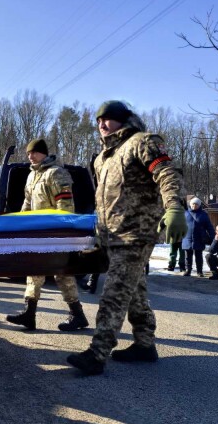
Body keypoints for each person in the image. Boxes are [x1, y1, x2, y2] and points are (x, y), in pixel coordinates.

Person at [67, 100, 186, 375]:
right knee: (134, 293)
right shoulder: (102, 158)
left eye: (108, 119)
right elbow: (104, 201)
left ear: (123, 120)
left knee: (114, 294)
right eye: (98, 120)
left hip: (136, 233)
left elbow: (167, 173)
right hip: (112, 236)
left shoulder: (143, 142)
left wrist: (175, 207)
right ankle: (145, 345)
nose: (101, 124)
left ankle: (97, 354)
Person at [5, 138, 88, 332]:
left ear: (44, 153)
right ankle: (29, 314)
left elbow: (66, 206)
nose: (30, 156)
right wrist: (20, 224)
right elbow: (27, 204)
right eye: (27, 153)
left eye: (34, 152)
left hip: (56, 232)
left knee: (62, 274)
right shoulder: (31, 176)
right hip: (38, 233)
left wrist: (63, 232)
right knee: (35, 270)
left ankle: (77, 315)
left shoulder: (56, 173)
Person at [181, 197, 214, 277]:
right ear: (190, 204)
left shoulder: (204, 215)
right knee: (188, 256)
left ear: (199, 205)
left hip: (199, 238)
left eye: (196, 204)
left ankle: (199, 271)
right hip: (187, 238)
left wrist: (213, 237)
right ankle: (188, 270)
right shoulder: (185, 213)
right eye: (193, 204)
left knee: (198, 256)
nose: (194, 205)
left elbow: (209, 227)